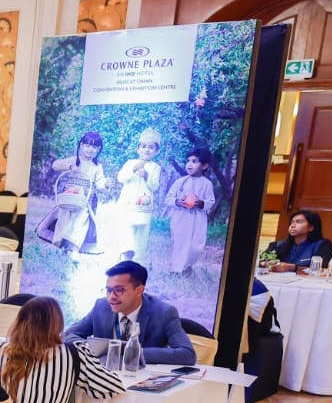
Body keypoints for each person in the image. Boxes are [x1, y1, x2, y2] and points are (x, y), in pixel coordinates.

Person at [0, 296, 124, 403]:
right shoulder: (73, 353)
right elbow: (110, 387)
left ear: (20, 320)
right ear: (57, 323)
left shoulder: (1, 351)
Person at [63, 260, 196, 366]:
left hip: (142, 380)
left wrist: (131, 353)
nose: (111, 297)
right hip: (104, 378)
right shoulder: (101, 307)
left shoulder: (164, 312)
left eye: (119, 290)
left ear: (139, 290)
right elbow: (69, 335)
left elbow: (187, 354)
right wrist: (93, 348)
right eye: (108, 290)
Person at [35, 131, 106, 253]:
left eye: (94, 147)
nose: (90, 149)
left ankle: (73, 250)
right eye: (88, 145)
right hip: (68, 200)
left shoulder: (97, 167)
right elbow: (55, 165)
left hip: (84, 203)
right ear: (82, 145)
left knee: (79, 225)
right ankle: (59, 247)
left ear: (98, 149)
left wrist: (105, 184)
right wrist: (69, 167)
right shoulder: (74, 161)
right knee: (63, 223)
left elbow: (100, 183)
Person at [162, 147, 217, 276]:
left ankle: (187, 266)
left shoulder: (207, 184)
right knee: (180, 243)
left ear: (204, 166)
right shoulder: (180, 182)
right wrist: (177, 202)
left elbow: (211, 201)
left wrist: (201, 203)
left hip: (198, 220)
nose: (189, 164)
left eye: (194, 161)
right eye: (188, 161)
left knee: (195, 246)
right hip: (181, 218)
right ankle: (176, 270)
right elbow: (168, 199)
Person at [114, 128, 163, 262]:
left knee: (141, 239)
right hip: (127, 206)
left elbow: (155, 186)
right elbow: (120, 178)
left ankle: (137, 263)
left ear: (156, 151)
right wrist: (133, 169)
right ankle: (125, 256)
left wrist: (146, 176)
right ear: (138, 149)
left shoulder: (155, 168)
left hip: (144, 208)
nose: (147, 150)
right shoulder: (130, 163)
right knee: (126, 233)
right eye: (143, 146)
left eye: (151, 147)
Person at [265, 208, 332, 273]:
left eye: (298, 222)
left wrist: (292, 267)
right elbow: (262, 260)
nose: (292, 225)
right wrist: (266, 263)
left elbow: (322, 267)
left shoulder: (322, 245)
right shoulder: (277, 245)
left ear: (311, 227)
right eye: (291, 222)